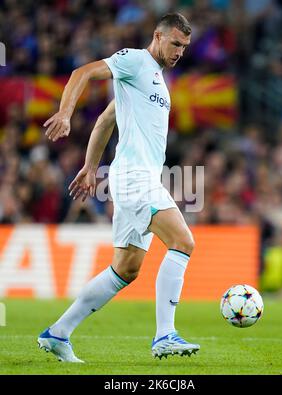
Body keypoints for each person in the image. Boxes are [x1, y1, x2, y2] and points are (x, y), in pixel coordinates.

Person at [38, 13, 199, 362]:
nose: (179, 53)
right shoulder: (135, 61)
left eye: (184, 47)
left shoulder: (152, 81)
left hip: (133, 179)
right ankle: (164, 335)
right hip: (135, 178)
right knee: (183, 241)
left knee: (125, 269)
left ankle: (58, 332)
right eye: (174, 44)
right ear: (157, 36)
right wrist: (65, 113)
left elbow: (106, 120)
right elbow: (82, 73)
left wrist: (90, 167)